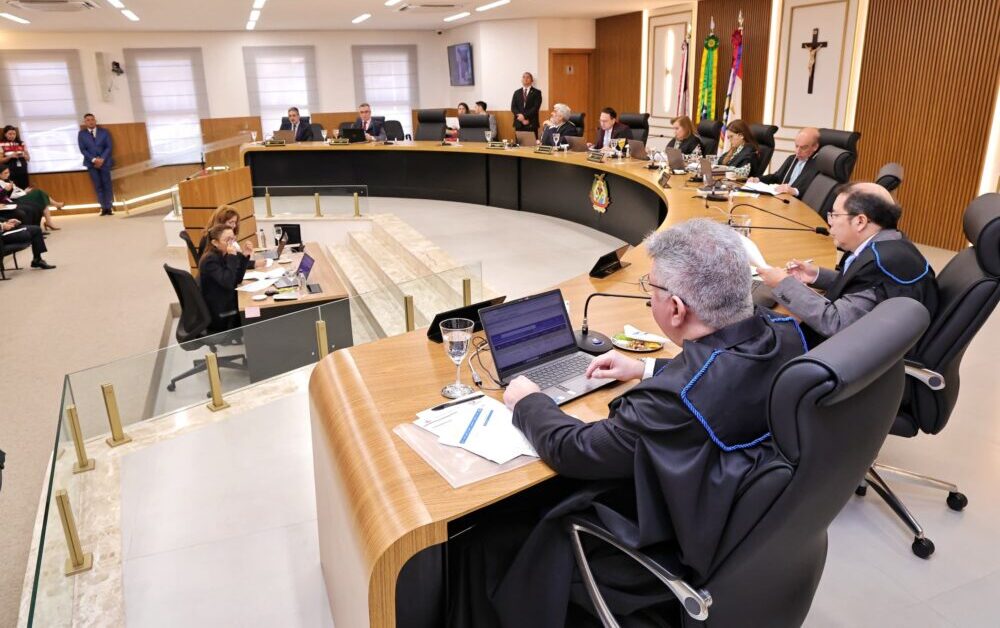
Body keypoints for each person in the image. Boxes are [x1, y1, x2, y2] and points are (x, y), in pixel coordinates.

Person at [448, 219, 809, 627]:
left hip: (661, 549)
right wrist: (644, 368)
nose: (648, 297)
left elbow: (575, 450)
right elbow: (724, 369)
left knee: (486, 540)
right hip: (728, 525)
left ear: (676, 309)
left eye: (650, 288)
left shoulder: (668, 403)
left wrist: (528, 401)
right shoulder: (782, 336)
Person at [757, 182, 938, 346]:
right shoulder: (891, 241)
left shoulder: (879, 265)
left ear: (860, 221)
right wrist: (816, 275)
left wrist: (783, 284)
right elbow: (863, 286)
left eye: (835, 215)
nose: (830, 222)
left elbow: (835, 322)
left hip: (852, 355)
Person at [198, 223, 251, 333]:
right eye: (227, 240)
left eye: (233, 239)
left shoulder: (223, 254)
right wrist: (232, 256)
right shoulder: (210, 260)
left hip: (226, 301)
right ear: (215, 242)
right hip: (220, 311)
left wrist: (244, 257)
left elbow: (237, 279)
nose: (232, 243)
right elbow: (228, 282)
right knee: (254, 312)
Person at [748, 127, 820, 197]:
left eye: (803, 148)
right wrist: (758, 179)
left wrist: (794, 191)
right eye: (796, 146)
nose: (797, 151)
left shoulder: (818, 165)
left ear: (815, 147)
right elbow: (776, 177)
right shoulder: (792, 159)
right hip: (781, 198)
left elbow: (812, 191)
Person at [0, 166, 61, 231]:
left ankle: (37, 229)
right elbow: (10, 195)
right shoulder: (2, 183)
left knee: (37, 204)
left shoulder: (7, 181)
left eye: (8, 172)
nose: (8, 174)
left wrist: (24, 191)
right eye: (5, 173)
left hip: (15, 198)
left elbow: (15, 191)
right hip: (11, 201)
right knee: (38, 196)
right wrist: (7, 190)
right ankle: (35, 229)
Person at [77, 113, 114, 216]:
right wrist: (94, 160)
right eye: (88, 120)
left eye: (92, 119)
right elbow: (83, 149)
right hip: (91, 163)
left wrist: (101, 159)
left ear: (95, 120)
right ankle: (103, 207)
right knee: (98, 186)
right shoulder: (81, 134)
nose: (91, 122)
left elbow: (109, 147)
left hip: (105, 162)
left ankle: (109, 207)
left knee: (107, 185)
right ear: (85, 122)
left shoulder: (104, 132)